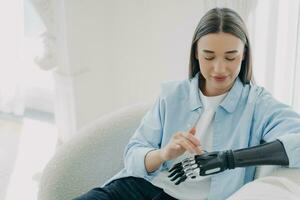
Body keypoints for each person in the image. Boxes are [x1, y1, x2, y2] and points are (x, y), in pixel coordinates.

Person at [74, 7, 300, 200]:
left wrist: (227, 159)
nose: (219, 68)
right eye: (209, 57)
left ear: (244, 55)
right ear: (196, 54)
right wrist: (164, 154)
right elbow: (133, 155)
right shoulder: (172, 95)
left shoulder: (258, 104)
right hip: (139, 187)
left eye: (230, 57)